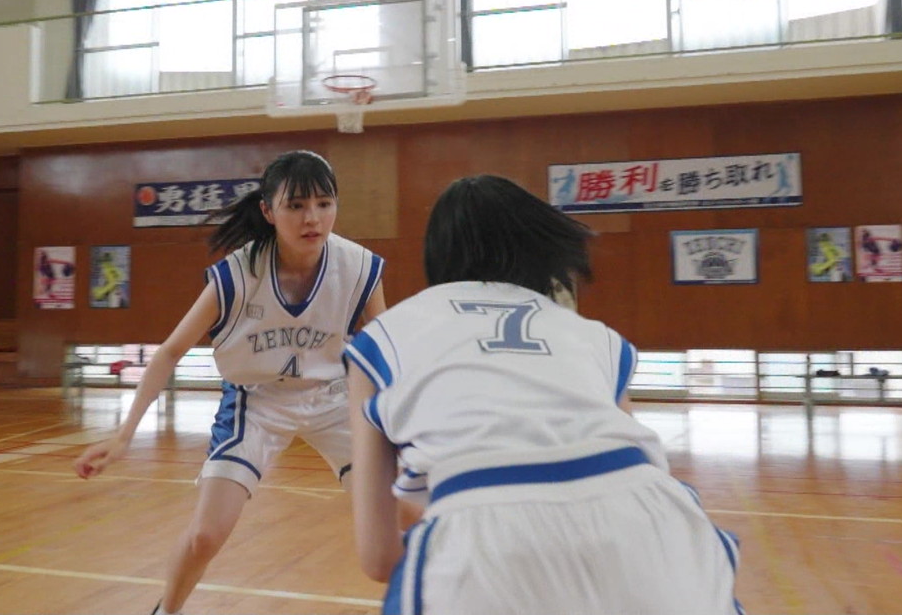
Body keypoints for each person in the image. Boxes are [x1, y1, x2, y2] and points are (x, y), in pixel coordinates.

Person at [343, 175, 742, 615]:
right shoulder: (597, 337)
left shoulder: (380, 340)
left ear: (435, 254)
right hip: (657, 522)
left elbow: (379, 557)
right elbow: (640, 457)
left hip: (482, 540)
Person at [74, 150, 386, 615]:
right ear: (268, 211)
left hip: (335, 400)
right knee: (205, 536)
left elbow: (384, 351)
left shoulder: (358, 267)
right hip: (256, 402)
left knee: (398, 517)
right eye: (296, 205)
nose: (312, 218)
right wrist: (124, 435)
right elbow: (170, 352)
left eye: (324, 203)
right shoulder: (238, 275)